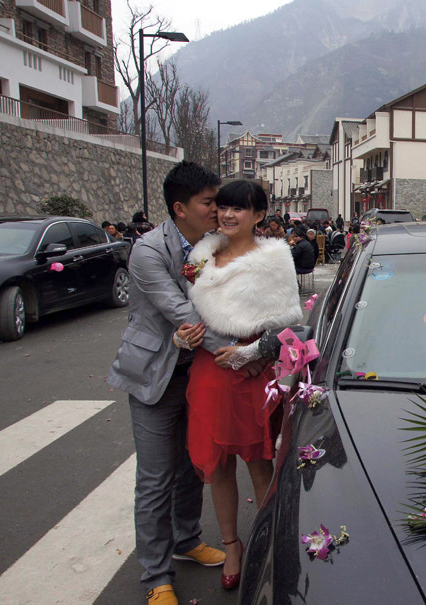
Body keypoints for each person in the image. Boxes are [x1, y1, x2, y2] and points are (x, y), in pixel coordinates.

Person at [108, 162, 246, 605]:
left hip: (198, 374)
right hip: (155, 375)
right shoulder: (148, 251)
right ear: (180, 208)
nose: (217, 209)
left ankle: (186, 539)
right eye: (209, 202)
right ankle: (155, 576)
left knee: (194, 466)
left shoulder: (215, 245)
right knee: (154, 477)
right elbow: (184, 314)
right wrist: (245, 354)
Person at [175, 180, 302, 592]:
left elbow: (288, 322)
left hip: (251, 374)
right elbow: (188, 313)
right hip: (210, 371)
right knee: (218, 465)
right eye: (224, 208)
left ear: (259, 215)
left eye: (239, 209)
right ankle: (232, 544)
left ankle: (267, 540)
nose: (228, 215)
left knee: (258, 461)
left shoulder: (273, 260)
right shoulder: (202, 256)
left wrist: (253, 355)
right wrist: (183, 336)